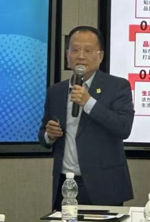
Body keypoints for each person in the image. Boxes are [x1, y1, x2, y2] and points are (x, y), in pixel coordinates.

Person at [39, 25, 135, 209]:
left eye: (88, 50)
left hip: (104, 185)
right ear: (67, 55)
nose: (81, 56)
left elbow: (123, 128)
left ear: (100, 56)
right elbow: (43, 133)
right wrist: (49, 135)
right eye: (75, 50)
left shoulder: (118, 87)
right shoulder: (56, 91)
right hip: (65, 184)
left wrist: (89, 102)